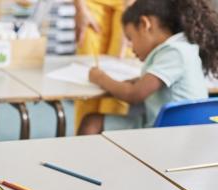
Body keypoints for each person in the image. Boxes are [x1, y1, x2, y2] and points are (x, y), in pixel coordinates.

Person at [78, 0, 218, 134]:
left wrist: (100, 78)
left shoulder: (174, 52)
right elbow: (153, 83)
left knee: (91, 123)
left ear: (145, 25)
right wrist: (135, 80)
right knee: (92, 121)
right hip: (174, 127)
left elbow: (133, 95)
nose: (131, 48)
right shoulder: (181, 47)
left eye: (131, 39)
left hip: (169, 131)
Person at [73, 0, 135, 133]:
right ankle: (81, 142)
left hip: (127, 5)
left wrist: (129, 20)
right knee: (86, 82)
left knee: (120, 76)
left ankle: (112, 143)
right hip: (92, 4)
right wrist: (80, 9)